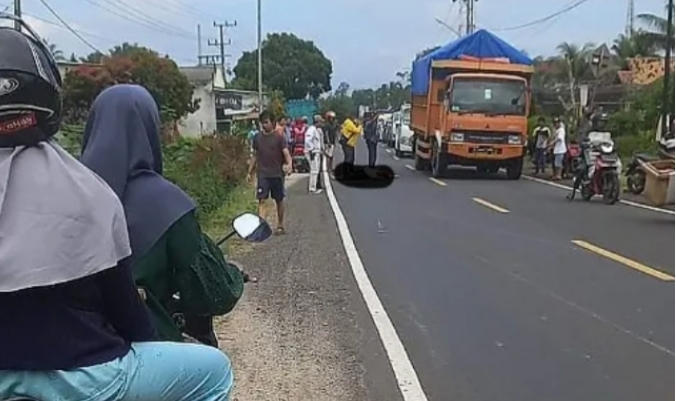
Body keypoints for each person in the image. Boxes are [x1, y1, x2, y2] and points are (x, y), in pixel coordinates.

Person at [0, 25, 232, 401]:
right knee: (215, 372)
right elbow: (131, 319)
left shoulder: (93, 178)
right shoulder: (88, 190)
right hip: (87, 375)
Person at [81, 83, 246, 350]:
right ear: (148, 131)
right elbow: (214, 294)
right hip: (142, 350)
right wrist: (234, 275)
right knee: (216, 373)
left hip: (65, 353)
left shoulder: (65, 190)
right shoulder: (167, 203)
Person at [248, 109, 293, 234]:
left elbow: (286, 152)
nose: (264, 125)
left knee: (279, 200)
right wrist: (249, 171)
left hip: (277, 174)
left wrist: (289, 164)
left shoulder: (279, 138)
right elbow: (255, 156)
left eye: (266, 122)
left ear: (273, 122)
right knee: (262, 200)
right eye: (262, 122)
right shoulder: (257, 138)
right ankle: (261, 227)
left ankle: (280, 225)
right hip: (262, 174)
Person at [304, 115, 324, 194]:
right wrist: (311, 150)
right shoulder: (311, 129)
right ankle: (312, 188)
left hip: (316, 152)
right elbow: (307, 140)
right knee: (314, 170)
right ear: (317, 122)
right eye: (321, 122)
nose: (321, 123)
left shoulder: (316, 130)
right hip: (312, 152)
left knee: (316, 170)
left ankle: (313, 187)